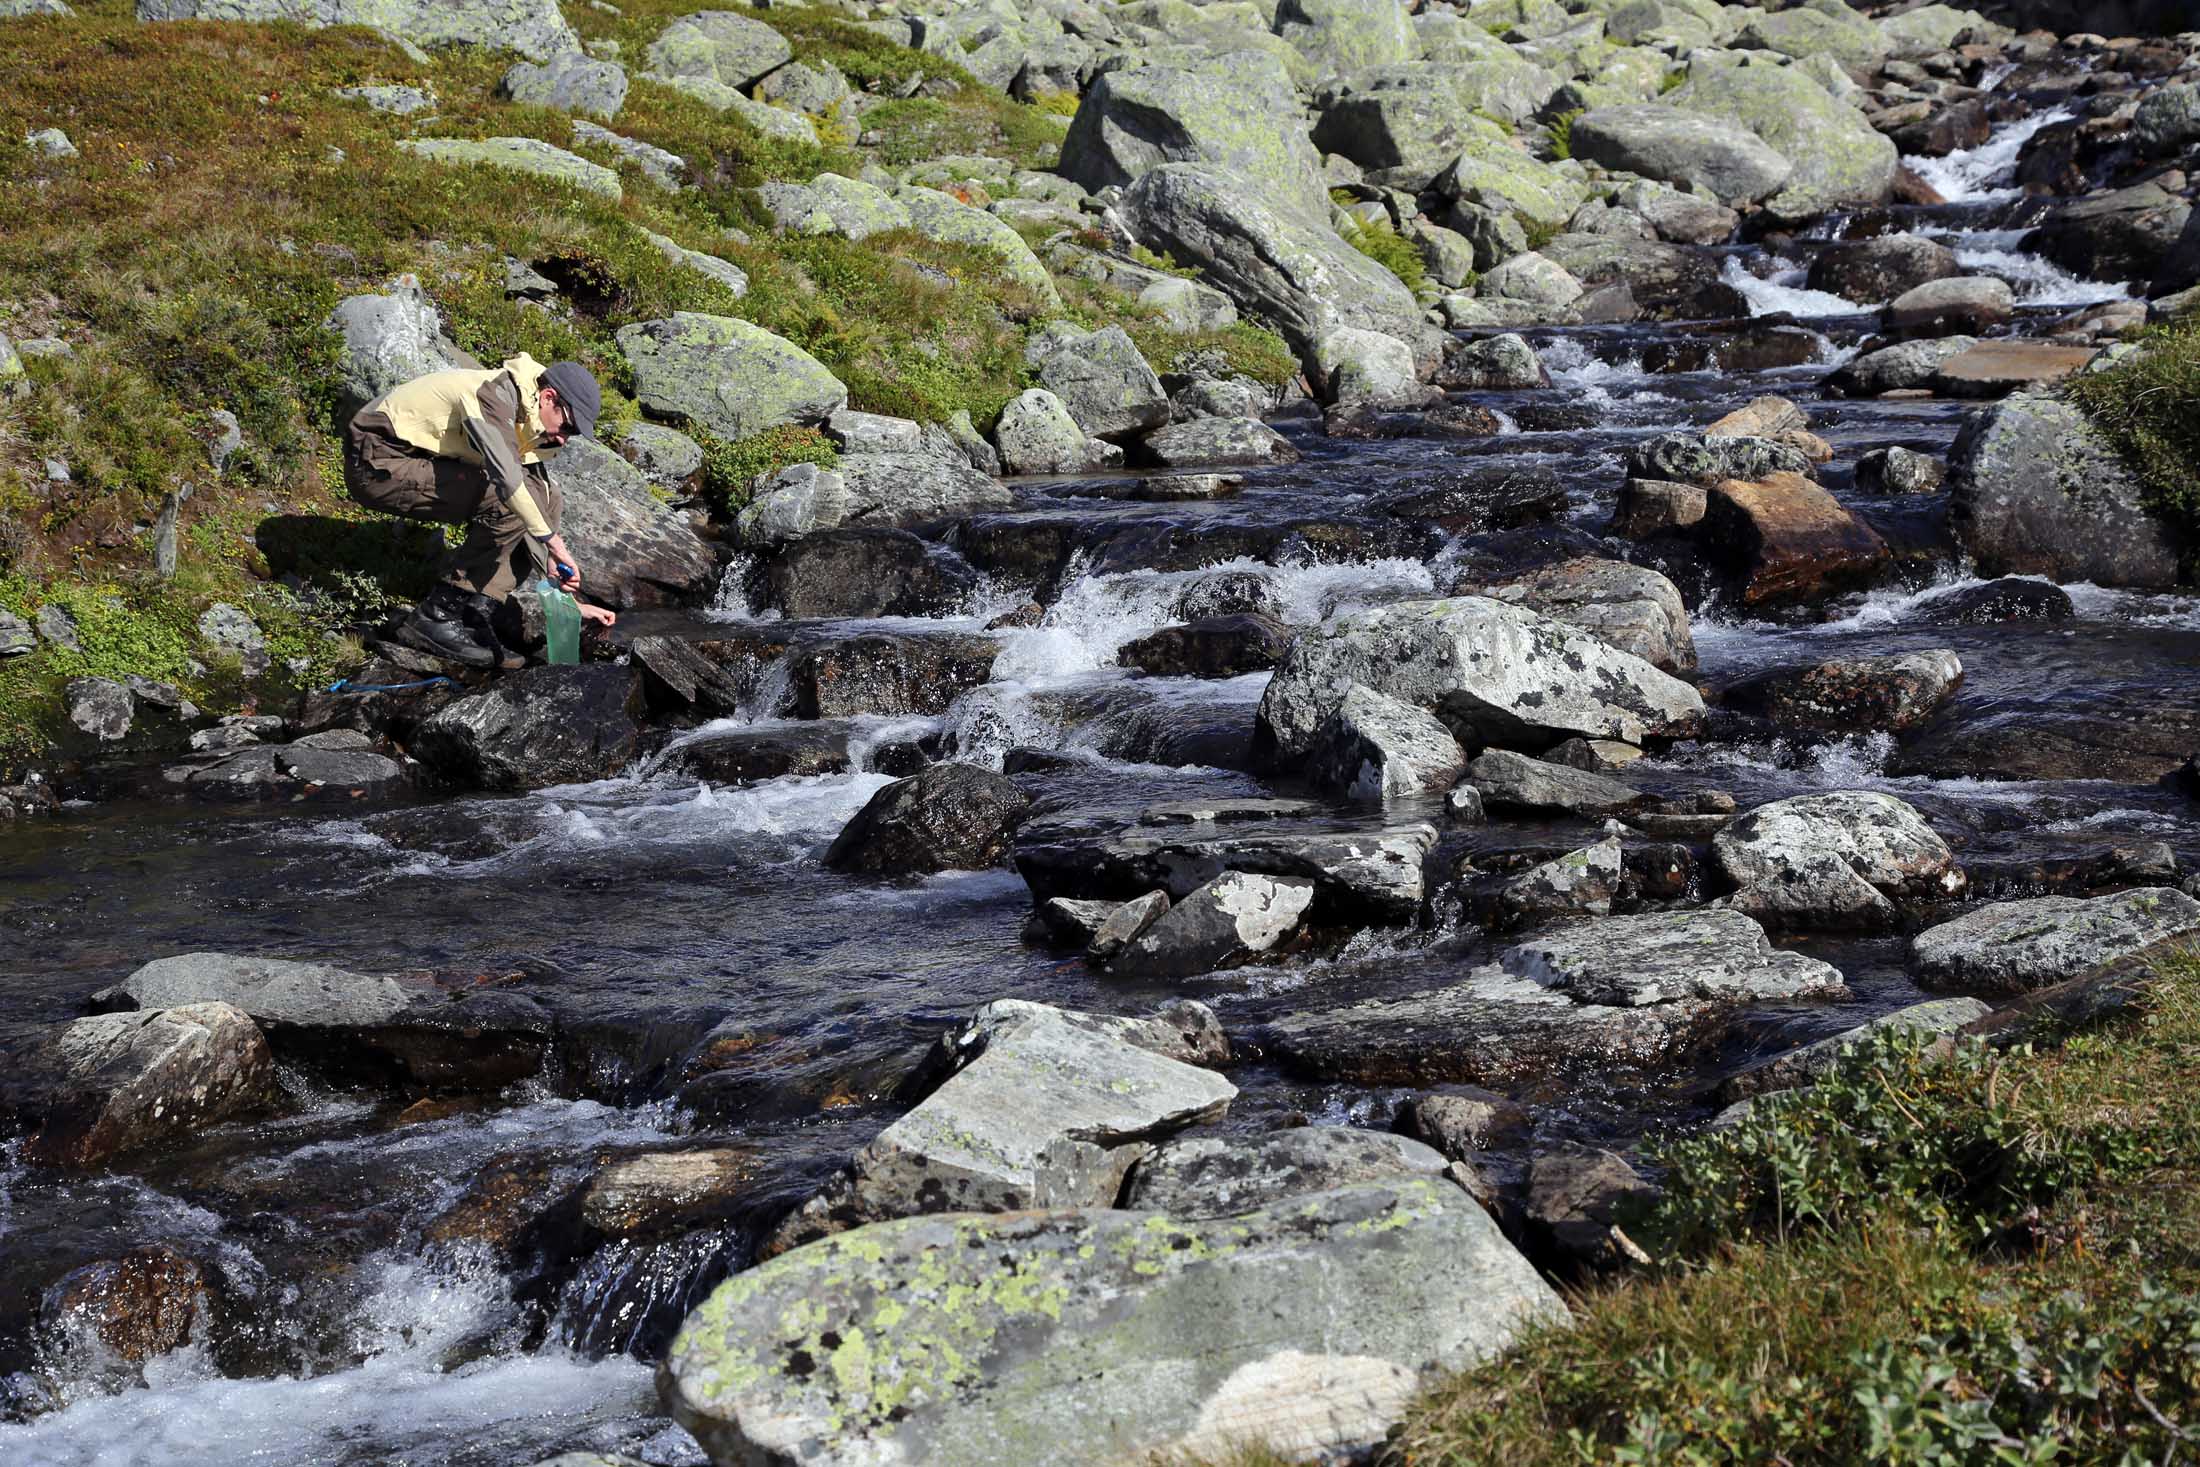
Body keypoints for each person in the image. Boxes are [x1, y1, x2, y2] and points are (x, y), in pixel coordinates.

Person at [343, 353, 615, 669]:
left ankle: (476, 613)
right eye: (568, 427)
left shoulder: (535, 417)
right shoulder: (494, 395)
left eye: (575, 434)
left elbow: (539, 505)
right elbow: (509, 482)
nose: (565, 440)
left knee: (547, 497)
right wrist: (555, 544)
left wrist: (568, 601)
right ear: (549, 397)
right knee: (506, 499)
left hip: (423, 462)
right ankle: (438, 615)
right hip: (377, 461)